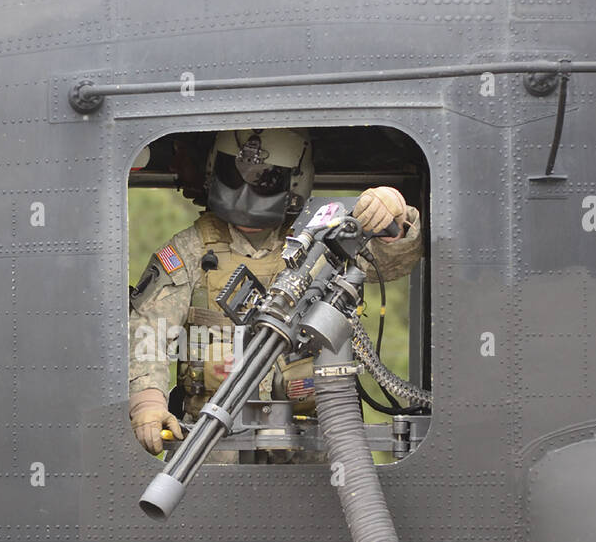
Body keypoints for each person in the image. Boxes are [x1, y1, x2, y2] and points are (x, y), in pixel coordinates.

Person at [128, 128, 423, 455]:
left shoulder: (322, 241)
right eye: (234, 175)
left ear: (295, 181)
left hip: (308, 446)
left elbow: (394, 261)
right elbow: (147, 329)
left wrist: (393, 213)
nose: (245, 195)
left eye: (265, 180)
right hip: (211, 447)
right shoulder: (191, 251)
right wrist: (148, 402)